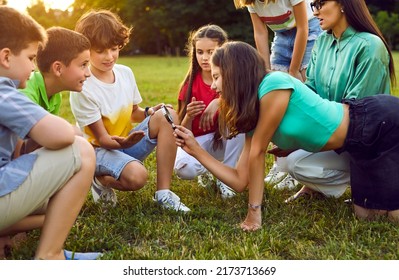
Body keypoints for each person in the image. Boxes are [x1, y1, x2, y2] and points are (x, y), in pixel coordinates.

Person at [174, 41, 399, 231]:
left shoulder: (274, 85)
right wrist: (196, 150)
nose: (213, 86)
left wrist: (254, 213)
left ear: (233, 74)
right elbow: (240, 181)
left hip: (379, 122)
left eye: (216, 77)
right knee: (368, 215)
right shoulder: (253, 112)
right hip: (356, 147)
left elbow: (258, 153)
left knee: (393, 217)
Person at [0, 6, 100, 259]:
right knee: (81, 151)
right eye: (31, 58)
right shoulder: (4, 92)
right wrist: (74, 131)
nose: (34, 67)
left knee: (59, 197)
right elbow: (62, 137)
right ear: (6, 57)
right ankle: (50, 256)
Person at [70, 10, 190, 212]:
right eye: (100, 51)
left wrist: (151, 111)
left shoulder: (125, 73)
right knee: (138, 177)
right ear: (86, 49)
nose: (109, 57)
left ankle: (163, 194)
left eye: (114, 49)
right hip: (97, 151)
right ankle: (100, 179)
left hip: (125, 142)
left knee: (168, 115)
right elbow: (103, 139)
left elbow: (134, 112)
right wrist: (125, 142)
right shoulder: (84, 86)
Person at [281, 0, 396, 202]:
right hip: (336, 133)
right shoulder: (323, 42)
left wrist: (305, 140)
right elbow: (311, 91)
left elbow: (357, 118)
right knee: (287, 161)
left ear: (343, 4)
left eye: (319, 3)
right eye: (313, 5)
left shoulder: (370, 45)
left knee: (296, 162)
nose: (314, 12)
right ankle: (315, 188)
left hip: (366, 141)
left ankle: (372, 178)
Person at [234, 0, 322, 190]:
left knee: (301, 98)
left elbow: (303, 28)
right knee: (274, 101)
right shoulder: (251, 2)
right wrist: (265, 71)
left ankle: (297, 170)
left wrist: (294, 70)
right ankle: (279, 166)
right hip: (281, 37)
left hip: (308, 33)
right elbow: (260, 32)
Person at [175, 24, 245, 199]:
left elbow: (244, 111)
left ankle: (227, 177)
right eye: (200, 52)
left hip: (224, 140)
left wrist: (219, 101)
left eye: (210, 52)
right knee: (184, 169)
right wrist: (189, 116)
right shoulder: (189, 84)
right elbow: (181, 131)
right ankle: (208, 168)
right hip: (198, 142)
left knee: (240, 124)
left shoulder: (232, 79)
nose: (205, 58)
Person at [15, 27, 91, 155]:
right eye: (83, 65)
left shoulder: (55, 96)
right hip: (12, 160)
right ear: (58, 69)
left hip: (29, 151)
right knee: (75, 134)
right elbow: (17, 146)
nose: (88, 73)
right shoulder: (26, 91)